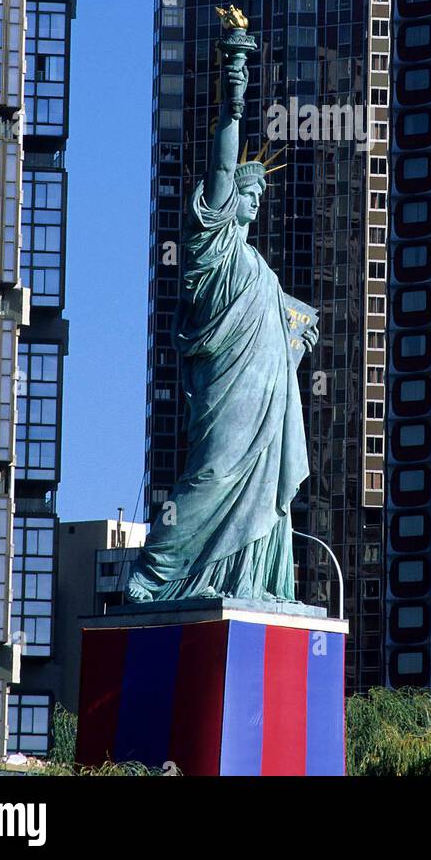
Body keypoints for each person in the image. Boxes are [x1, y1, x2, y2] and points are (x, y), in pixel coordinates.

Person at [125, 61, 316, 603]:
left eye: (257, 197)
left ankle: (248, 579)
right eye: (243, 194)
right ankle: (156, 571)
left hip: (267, 404)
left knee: (259, 490)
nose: (252, 201)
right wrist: (233, 104)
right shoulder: (214, 250)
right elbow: (222, 171)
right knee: (211, 475)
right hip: (227, 395)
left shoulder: (261, 269)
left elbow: (278, 343)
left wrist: (296, 342)